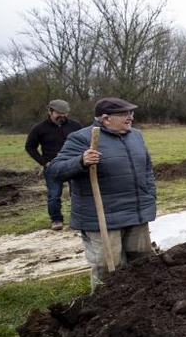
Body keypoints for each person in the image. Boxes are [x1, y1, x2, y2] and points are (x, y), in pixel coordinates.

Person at [46, 97, 156, 291]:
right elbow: (55, 171)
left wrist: (150, 194)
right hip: (102, 216)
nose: (130, 117)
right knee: (108, 267)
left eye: (131, 113)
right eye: (125, 114)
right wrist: (81, 161)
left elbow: (147, 168)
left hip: (136, 212)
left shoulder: (136, 136)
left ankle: (141, 304)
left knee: (142, 261)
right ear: (106, 119)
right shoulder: (82, 138)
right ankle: (104, 310)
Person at [25, 99, 83, 230]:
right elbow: (30, 147)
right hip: (52, 167)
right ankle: (56, 220)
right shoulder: (39, 128)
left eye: (65, 113)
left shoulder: (76, 126)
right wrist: (44, 163)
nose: (62, 116)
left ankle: (78, 219)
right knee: (54, 195)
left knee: (78, 193)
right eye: (59, 113)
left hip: (74, 165)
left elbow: (84, 141)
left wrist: (82, 159)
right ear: (49, 111)